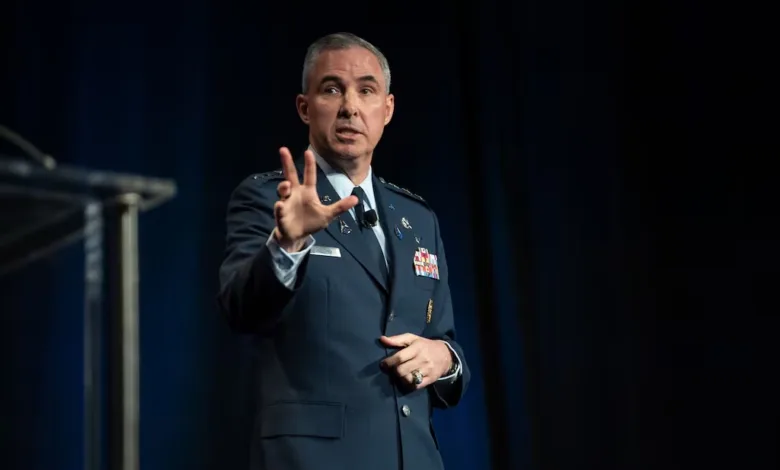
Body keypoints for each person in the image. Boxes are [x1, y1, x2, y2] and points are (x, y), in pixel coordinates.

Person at [218, 32, 470, 470]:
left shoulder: (419, 218)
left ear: (387, 109)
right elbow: (241, 308)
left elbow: (444, 339)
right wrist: (288, 242)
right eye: (332, 89)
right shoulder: (270, 199)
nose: (350, 106)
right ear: (304, 107)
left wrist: (445, 360)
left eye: (366, 90)